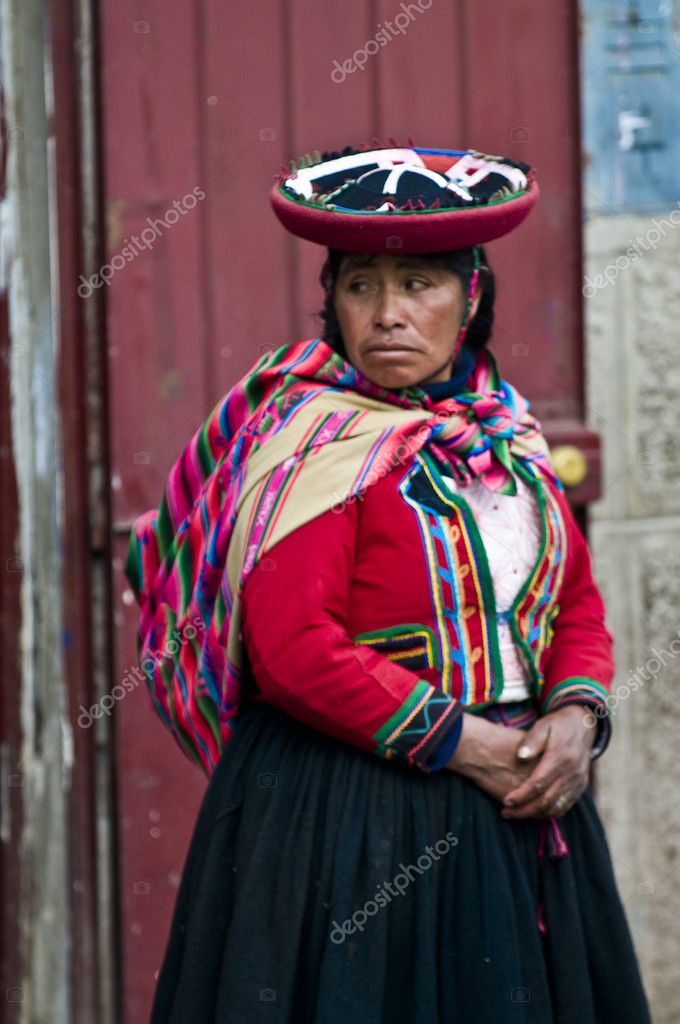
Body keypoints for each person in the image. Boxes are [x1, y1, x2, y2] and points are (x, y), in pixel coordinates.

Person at [125, 143, 652, 1023]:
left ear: (471, 297)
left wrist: (576, 716)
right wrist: (474, 745)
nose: (388, 315)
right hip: (354, 822)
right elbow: (294, 650)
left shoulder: (505, 439)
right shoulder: (314, 445)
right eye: (361, 286)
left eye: (419, 286)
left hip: (518, 807)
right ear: (330, 300)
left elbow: (574, 605)